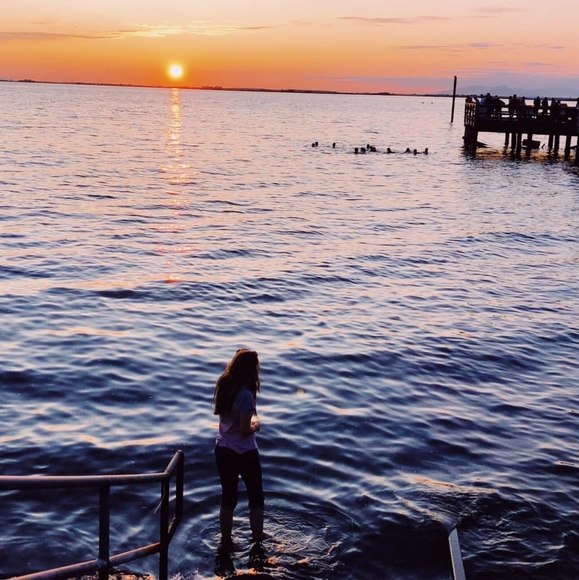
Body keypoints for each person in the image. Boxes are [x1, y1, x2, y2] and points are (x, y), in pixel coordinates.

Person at [213, 349, 266, 572]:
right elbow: (245, 430)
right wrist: (257, 425)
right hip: (244, 452)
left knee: (228, 497)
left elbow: (226, 418)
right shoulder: (245, 394)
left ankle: (225, 541)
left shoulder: (224, 386)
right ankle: (257, 542)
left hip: (222, 448)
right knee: (256, 497)